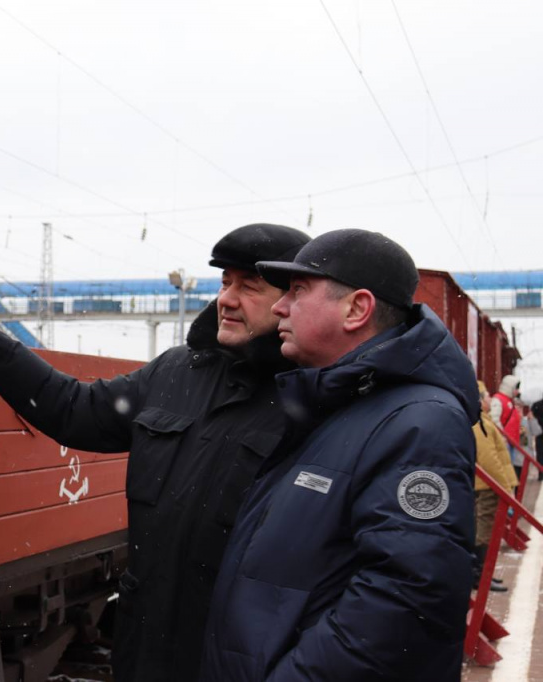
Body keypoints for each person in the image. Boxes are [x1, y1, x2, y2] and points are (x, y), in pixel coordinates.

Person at [0, 224, 310, 682]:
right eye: (225, 283)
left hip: (233, 653)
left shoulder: (309, 398)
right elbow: (76, 411)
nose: (227, 299)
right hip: (145, 643)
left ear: (290, 300)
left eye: (249, 287)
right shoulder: (178, 372)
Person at [201, 229, 479, 682]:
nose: (279, 307)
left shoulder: (420, 424)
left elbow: (406, 601)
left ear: (357, 309)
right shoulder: (340, 405)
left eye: (297, 291)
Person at [472, 381, 517, 592]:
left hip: (488, 485)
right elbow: (489, 458)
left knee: (484, 529)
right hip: (488, 486)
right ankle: (481, 575)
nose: (491, 399)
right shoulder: (479, 422)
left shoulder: (483, 420)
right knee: (484, 530)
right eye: (487, 395)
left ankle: (483, 574)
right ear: (479, 399)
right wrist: (505, 485)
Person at [491, 374, 522, 475]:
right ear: (510, 387)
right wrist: (503, 436)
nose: (517, 391)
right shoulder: (499, 399)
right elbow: (494, 419)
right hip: (505, 442)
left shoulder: (508, 401)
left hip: (509, 441)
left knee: (510, 468)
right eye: (516, 388)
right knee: (507, 470)